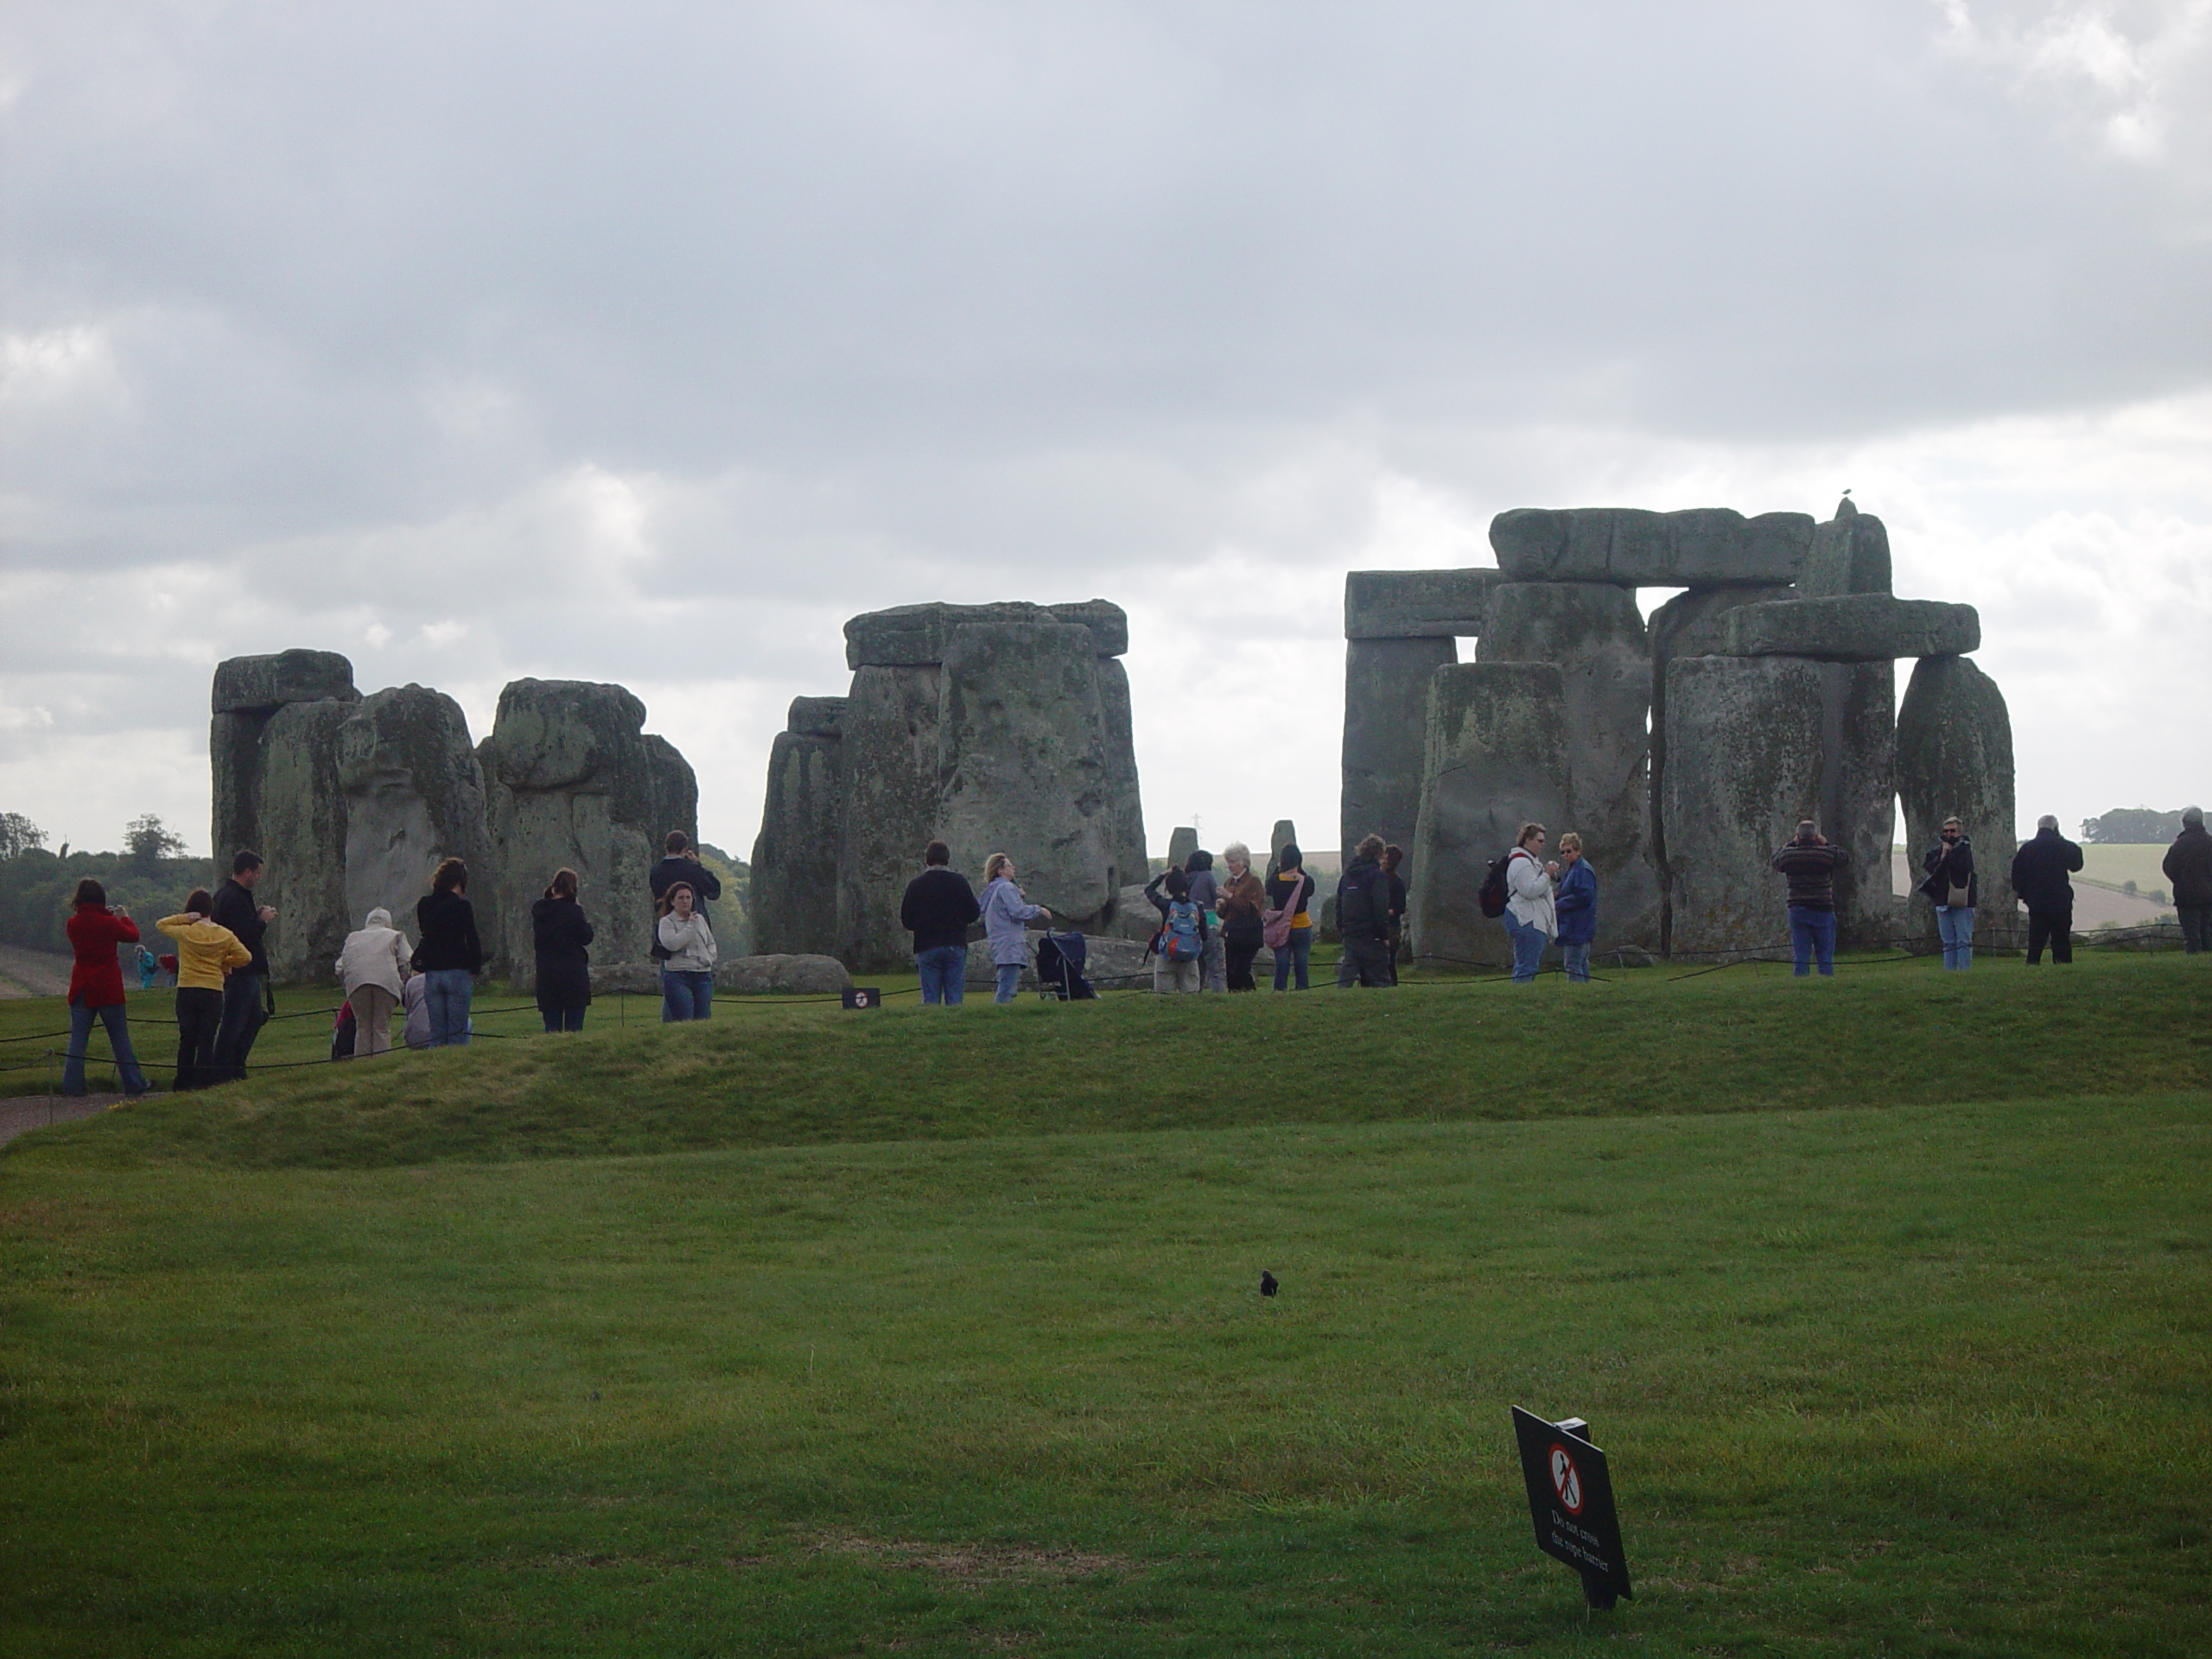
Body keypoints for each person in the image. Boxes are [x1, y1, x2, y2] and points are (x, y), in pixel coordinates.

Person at [62, 878, 151, 1098]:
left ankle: (73, 1086)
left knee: (78, 1040)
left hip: (82, 985)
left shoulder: (72, 923)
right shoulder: (109, 922)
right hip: (107, 985)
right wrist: (124, 917)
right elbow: (133, 936)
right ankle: (133, 1084)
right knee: (119, 1038)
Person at [157, 888, 251, 1090]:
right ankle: (203, 1083)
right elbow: (246, 957)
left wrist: (184, 918)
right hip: (212, 990)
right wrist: (224, 963)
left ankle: (182, 1083)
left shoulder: (186, 931)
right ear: (211, 909)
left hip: (187, 989)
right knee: (206, 1041)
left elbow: (161, 924)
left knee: (187, 1039)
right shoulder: (225, 935)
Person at [209, 850, 276, 1081]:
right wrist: (262, 921)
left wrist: (254, 916)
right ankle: (223, 1070)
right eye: (257, 873)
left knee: (254, 1018)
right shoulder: (235, 897)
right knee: (234, 1022)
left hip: (244, 970)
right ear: (247, 872)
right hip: (240, 970)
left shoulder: (226, 896)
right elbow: (245, 934)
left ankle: (236, 1065)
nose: (259, 877)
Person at [900, 840, 982, 1007]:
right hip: (955, 943)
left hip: (927, 944)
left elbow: (907, 920)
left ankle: (932, 1028)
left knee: (930, 998)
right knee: (954, 997)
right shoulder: (959, 882)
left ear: (927, 859)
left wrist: (922, 925)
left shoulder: (917, 885)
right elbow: (974, 913)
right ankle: (956, 1029)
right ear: (947, 859)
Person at [414, 857, 485, 1046]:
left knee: (437, 1031)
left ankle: (435, 1069)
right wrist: (475, 966)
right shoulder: (462, 906)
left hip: (433, 973)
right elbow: (472, 938)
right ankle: (456, 1069)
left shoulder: (425, 904)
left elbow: (426, 934)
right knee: (457, 1031)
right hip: (457, 971)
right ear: (460, 881)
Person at [1771, 820, 1848, 977]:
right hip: (1823, 907)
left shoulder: (1789, 855)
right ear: (1816, 836)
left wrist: (1792, 843)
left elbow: (1776, 860)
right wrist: (1826, 843)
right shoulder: (1825, 854)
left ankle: (1801, 979)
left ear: (1798, 836)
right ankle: (1826, 978)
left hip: (1798, 907)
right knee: (1825, 953)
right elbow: (1844, 858)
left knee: (1801, 952)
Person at [336, 906, 411, 1056]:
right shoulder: (396, 935)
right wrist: (402, 982)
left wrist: (348, 982)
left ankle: (362, 1062)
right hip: (386, 983)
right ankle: (380, 1063)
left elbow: (339, 967)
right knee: (381, 1026)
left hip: (356, 984)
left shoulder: (353, 937)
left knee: (362, 1026)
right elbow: (406, 961)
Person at [2010, 815, 2084, 965]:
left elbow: (2016, 875)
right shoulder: (2063, 846)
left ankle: (2032, 964)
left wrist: (2025, 895)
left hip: (2037, 900)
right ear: (2055, 827)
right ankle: (2062, 965)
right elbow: (2077, 865)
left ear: (2038, 827)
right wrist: (2061, 838)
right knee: (2061, 938)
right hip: (2060, 898)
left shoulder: (2027, 848)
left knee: (2036, 938)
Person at [979, 853, 1050, 1003]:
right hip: (1009, 942)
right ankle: (1000, 1014)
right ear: (1001, 870)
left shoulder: (993, 890)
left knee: (1006, 982)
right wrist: (1038, 909)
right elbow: (1017, 911)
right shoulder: (1006, 887)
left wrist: (1019, 896)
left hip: (998, 941)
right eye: (1010, 865)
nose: (1014, 868)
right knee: (1007, 987)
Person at [531, 868, 594, 1032]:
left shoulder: (540, 911)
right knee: (574, 1029)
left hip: (547, 975)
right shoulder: (573, 911)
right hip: (572, 975)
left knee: (551, 1028)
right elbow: (586, 936)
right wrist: (579, 909)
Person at [1334, 834, 1396, 988]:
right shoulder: (1377, 877)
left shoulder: (1347, 877)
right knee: (1379, 979)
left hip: (1350, 933)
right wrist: (1384, 935)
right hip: (1371, 934)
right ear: (1378, 854)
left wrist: (1343, 930)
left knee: (1346, 978)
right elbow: (1380, 908)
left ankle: (1336, 1004)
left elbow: (1339, 906)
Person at [1919, 817, 1978, 971]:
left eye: (1952, 830)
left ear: (1959, 832)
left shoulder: (1965, 848)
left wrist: (1949, 856)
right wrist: (1942, 855)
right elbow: (1929, 866)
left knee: (1963, 940)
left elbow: (1964, 867)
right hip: (1943, 898)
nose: (1949, 834)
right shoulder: (1939, 850)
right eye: (1946, 831)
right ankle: (1949, 971)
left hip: (1962, 899)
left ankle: (1964, 970)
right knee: (1948, 941)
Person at [1503, 823, 1559, 984]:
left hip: (1532, 919)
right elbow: (1529, 890)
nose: (1543, 845)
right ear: (1527, 840)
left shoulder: (1530, 862)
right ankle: (1520, 998)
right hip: (1526, 919)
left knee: (1529, 964)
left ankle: (1521, 995)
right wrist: (1547, 874)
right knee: (1527, 965)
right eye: (1539, 841)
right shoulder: (1521, 862)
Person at [656, 880, 716, 1020]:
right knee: (684, 1017)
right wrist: (690, 926)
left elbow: (710, 942)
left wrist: (709, 958)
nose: (685, 901)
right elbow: (672, 944)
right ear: (672, 901)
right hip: (678, 975)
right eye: (680, 898)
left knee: (703, 1018)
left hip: (702, 975)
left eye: (688, 897)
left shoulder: (699, 919)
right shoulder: (667, 922)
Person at [1144, 867, 1208, 994]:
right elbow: (1204, 935)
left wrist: (1163, 874)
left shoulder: (1166, 905)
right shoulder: (1197, 908)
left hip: (1167, 955)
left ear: (1168, 888)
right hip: (1190, 957)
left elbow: (1149, 890)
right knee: (1190, 997)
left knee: (1165, 996)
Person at [1217, 842, 1267, 993]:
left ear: (1243, 862)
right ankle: (1235, 998)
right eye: (1228, 862)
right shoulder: (1229, 882)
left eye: (1232, 862)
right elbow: (1226, 913)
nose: (1229, 866)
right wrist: (1222, 906)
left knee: (1240, 970)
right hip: (1232, 932)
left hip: (1248, 933)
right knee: (1230, 972)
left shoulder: (1253, 881)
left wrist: (1229, 897)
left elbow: (1251, 909)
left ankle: (1250, 995)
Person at [1265, 844, 1315, 991]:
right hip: (1302, 925)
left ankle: (1280, 991)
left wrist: (1278, 868)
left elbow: (1268, 890)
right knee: (1302, 963)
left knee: (1282, 963)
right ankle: (1302, 989)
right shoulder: (1307, 881)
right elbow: (1310, 893)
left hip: (1281, 926)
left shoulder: (1275, 881)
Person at [2163, 805, 2211, 955]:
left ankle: (2194, 959)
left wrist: (2181, 882)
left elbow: (2168, 867)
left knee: (2191, 933)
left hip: (2186, 894)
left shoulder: (2180, 844)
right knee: (2208, 931)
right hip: (2209, 894)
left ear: (2185, 823)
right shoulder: (2210, 842)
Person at [1554, 833, 1597, 984]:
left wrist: (1558, 904)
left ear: (1578, 851)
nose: (1566, 855)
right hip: (1575, 925)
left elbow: (1584, 896)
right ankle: (1586, 994)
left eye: (1569, 851)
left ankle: (1576, 994)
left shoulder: (1582, 870)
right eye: (1563, 852)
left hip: (1578, 925)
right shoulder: (1573, 869)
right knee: (1581, 963)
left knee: (1572, 964)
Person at [1185, 850, 1226, 992]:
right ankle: (1219, 995)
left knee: (1197, 966)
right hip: (1208, 923)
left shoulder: (1187, 878)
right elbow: (1217, 896)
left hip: (1191, 927)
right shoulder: (1207, 876)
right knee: (1216, 966)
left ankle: (1196, 993)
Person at [1380, 844, 1408, 983]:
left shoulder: (1396, 882)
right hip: (1380, 924)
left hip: (1391, 927)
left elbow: (1400, 907)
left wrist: (1383, 912)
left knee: (1389, 961)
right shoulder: (1377, 878)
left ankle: (1391, 985)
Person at [400, 972, 433, 1050]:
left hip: (415, 1036)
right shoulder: (452, 980)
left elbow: (408, 1010)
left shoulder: (412, 982)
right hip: (442, 1037)